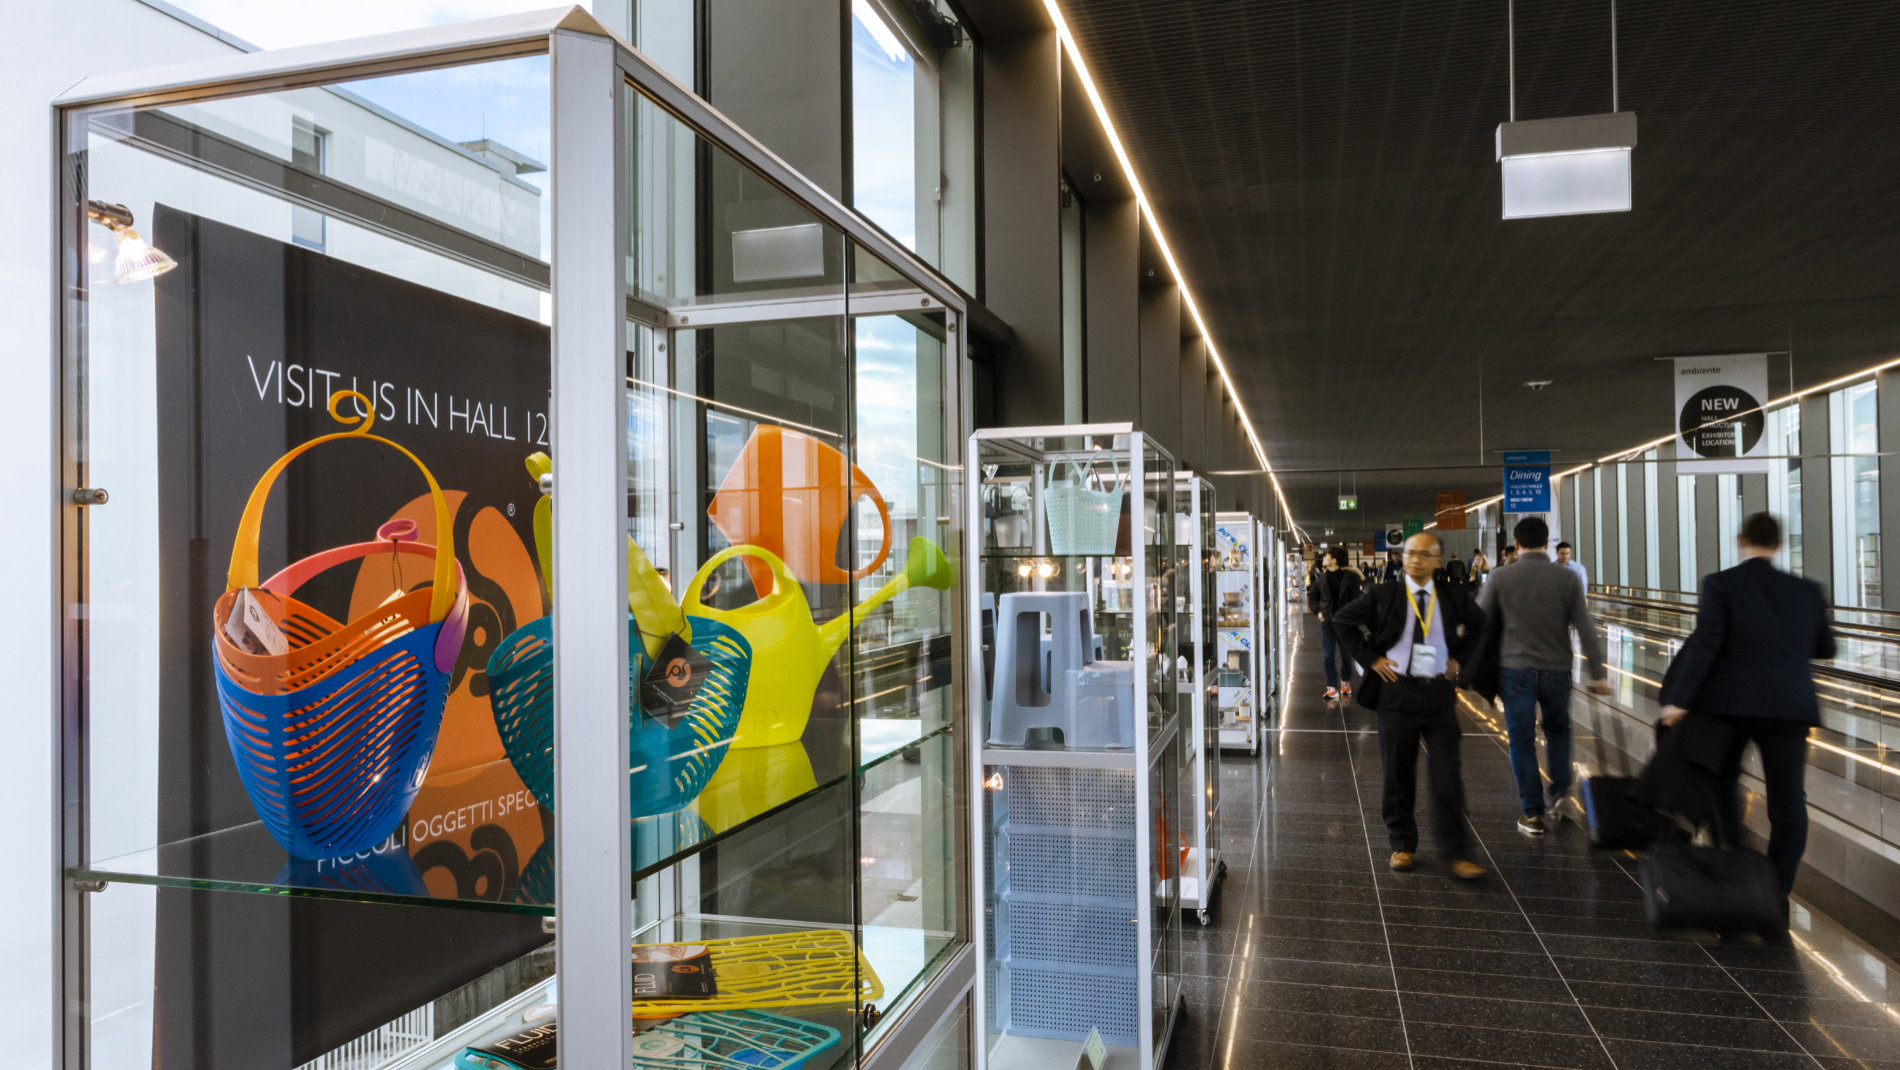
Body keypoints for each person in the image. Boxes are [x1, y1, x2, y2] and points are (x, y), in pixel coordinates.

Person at [1659, 512, 1835, 899]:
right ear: (1779, 544)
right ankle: (1777, 886)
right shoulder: (1808, 590)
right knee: (1789, 801)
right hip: (1790, 707)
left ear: (1742, 541)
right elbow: (1826, 647)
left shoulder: (1720, 585)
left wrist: (1679, 701)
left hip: (1731, 706)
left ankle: (1735, 861)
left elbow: (1707, 645)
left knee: (1723, 782)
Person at [1332, 532, 1487, 880]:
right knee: (1398, 773)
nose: (1414, 559)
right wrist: (1371, 659)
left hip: (1439, 695)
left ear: (1437, 560)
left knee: (1447, 774)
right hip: (1396, 693)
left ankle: (1456, 852)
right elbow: (1342, 621)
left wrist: (1459, 660)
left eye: (1423, 554)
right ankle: (1402, 844)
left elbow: (1480, 627)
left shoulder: (1453, 596)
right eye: (1409, 553)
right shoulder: (1382, 594)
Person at [1475, 516, 1612, 835]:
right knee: (1559, 732)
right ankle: (1561, 795)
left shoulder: (1500, 577)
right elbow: (1586, 627)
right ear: (1548, 543)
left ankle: (1532, 812)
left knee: (1521, 739)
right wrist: (1598, 673)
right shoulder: (1566, 579)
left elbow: (1478, 620)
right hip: (1557, 671)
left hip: (1515, 670)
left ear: (1517, 544)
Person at [1312, 546, 1363, 700]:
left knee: (1346, 655)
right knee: (1328, 655)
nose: (1324, 558)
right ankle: (1331, 687)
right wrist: (1318, 612)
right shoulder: (1321, 579)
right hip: (1327, 621)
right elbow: (1313, 598)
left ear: (1334, 559)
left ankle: (1345, 681)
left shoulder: (1351, 578)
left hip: (1345, 623)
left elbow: (1359, 598)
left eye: (1326, 555)